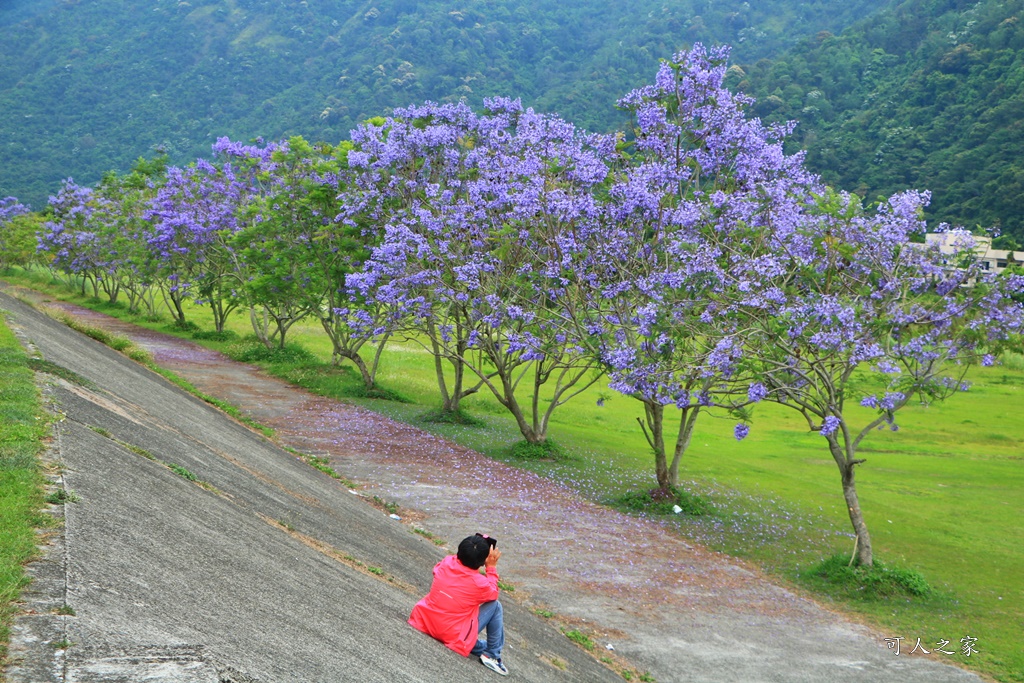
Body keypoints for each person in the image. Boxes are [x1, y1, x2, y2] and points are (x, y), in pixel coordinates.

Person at [408, 533, 508, 676]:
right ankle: (492, 654)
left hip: (424, 621)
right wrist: (491, 567)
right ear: (482, 561)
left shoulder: (446, 562)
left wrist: (473, 549)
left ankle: (483, 647)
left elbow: (441, 568)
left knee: (476, 641)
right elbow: (493, 593)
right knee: (495, 606)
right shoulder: (479, 584)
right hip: (453, 635)